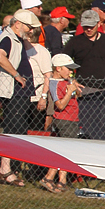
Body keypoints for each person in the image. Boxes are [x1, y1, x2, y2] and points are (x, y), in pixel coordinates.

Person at [0, 10, 43, 186]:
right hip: (13, 92)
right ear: (18, 24)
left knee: (19, 129)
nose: (30, 31)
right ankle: (5, 170)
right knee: (13, 129)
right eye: (29, 27)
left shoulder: (17, 39)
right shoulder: (7, 38)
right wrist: (16, 75)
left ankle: (10, 168)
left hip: (20, 93)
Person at [64, 9, 105, 141]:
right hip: (84, 92)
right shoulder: (75, 42)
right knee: (88, 130)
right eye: (85, 26)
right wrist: (71, 80)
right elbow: (62, 61)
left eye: (91, 26)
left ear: (98, 24)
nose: (88, 29)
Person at [40, 54, 83, 192]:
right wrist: (69, 92)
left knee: (64, 150)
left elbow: (79, 95)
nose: (70, 72)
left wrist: (74, 87)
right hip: (65, 120)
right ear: (58, 68)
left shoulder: (67, 81)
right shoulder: (54, 83)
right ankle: (49, 177)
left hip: (71, 119)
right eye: (68, 69)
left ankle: (60, 180)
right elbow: (60, 105)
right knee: (66, 152)